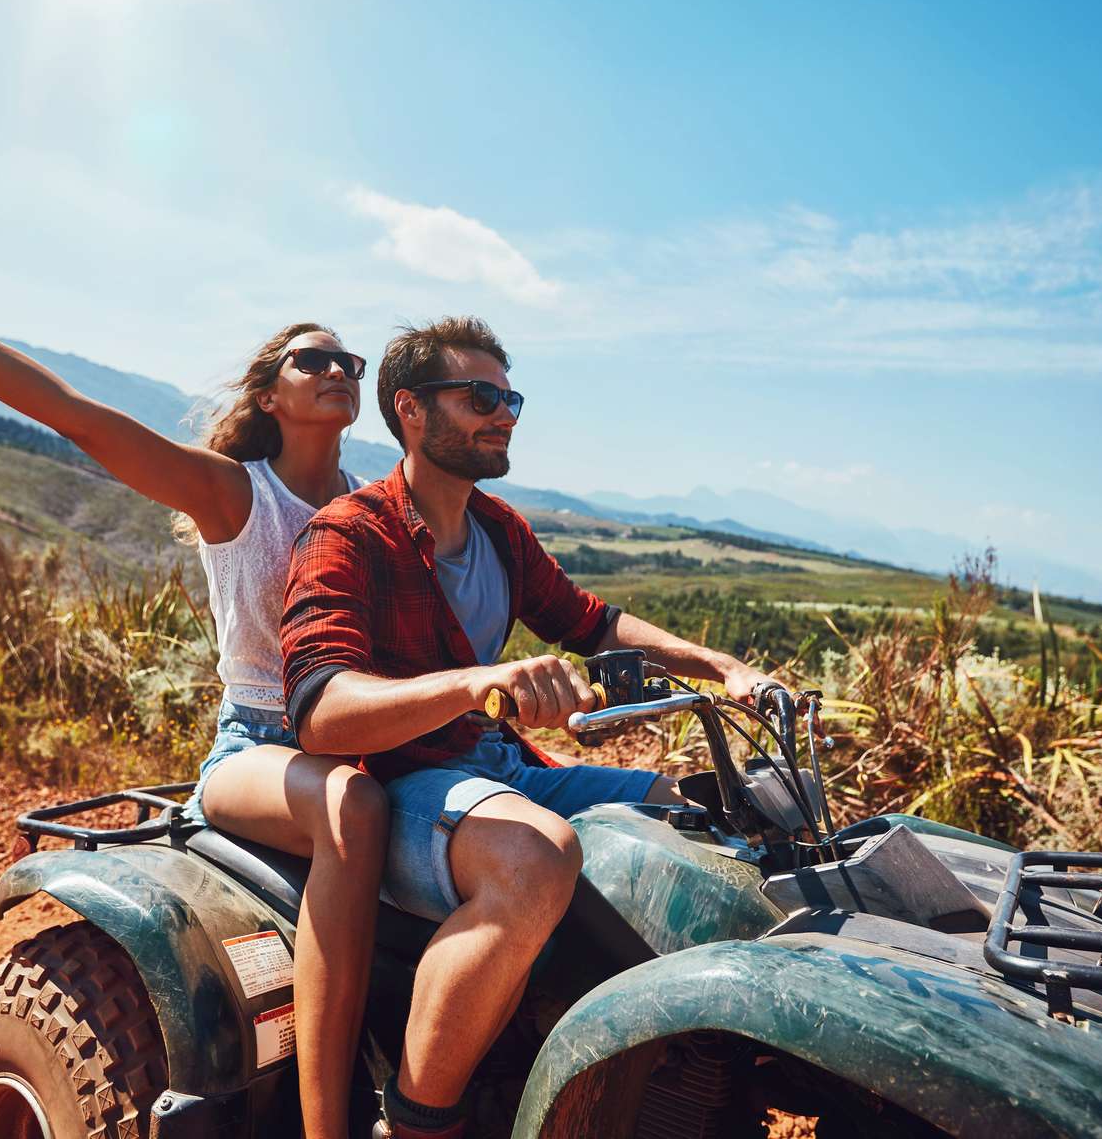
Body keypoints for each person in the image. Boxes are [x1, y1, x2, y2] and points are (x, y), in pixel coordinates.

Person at [0, 221, 384, 1139]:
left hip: (357, 735)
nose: (338, 369)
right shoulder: (233, 492)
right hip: (261, 747)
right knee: (354, 808)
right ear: (271, 395)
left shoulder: (369, 506)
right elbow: (77, 416)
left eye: (349, 360)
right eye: (312, 358)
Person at [279, 317, 777, 1139]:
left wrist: (727, 669)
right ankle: (416, 1123)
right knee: (534, 855)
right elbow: (322, 711)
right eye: (481, 396)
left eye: (510, 397)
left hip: (496, 767)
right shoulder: (347, 532)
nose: (504, 413)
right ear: (409, 408)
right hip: (400, 778)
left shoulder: (500, 532)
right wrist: (479, 682)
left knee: (681, 819)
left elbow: (596, 623)